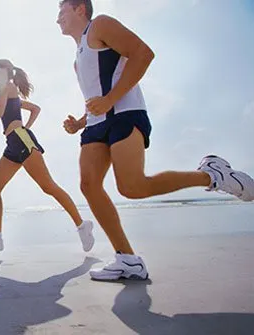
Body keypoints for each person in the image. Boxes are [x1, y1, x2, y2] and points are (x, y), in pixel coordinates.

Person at [56, 0, 254, 280]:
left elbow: (143, 53)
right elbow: (96, 95)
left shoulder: (100, 24)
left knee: (132, 187)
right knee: (89, 185)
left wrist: (110, 100)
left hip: (124, 114)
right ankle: (127, 259)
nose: (57, 19)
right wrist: (80, 121)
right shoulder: (77, 60)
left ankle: (211, 175)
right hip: (97, 124)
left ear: (80, 9)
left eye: (61, 10)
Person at [0, 59, 94, 252]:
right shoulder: (8, 91)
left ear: (3, 70)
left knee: (48, 186)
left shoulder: (8, 86)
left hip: (21, 141)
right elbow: (35, 109)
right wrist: (23, 128)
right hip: (13, 142)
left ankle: (82, 226)